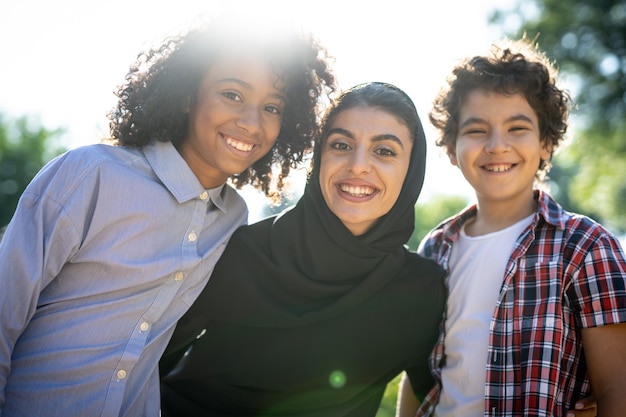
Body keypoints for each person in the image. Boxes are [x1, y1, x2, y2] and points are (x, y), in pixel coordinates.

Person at [0, 13, 336, 417]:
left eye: (271, 107)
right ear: (187, 94)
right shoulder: (91, 176)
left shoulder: (232, 218)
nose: (251, 123)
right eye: (232, 94)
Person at [158, 82, 446, 416]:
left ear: (412, 170)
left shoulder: (421, 291)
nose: (358, 165)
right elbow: (147, 358)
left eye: (384, 151)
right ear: (319, 157)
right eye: (341, 144)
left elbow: (437, 398)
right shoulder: (243, 251)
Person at [397, 37, 626, 417]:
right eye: (476, 130)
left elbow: (617, 389)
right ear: (452, 149)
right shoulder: (434, 250)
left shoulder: (586, 247)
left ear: (546, 143)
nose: (497, 145)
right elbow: (420, 375)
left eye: (517, 127)